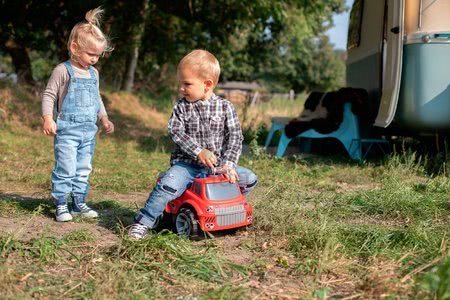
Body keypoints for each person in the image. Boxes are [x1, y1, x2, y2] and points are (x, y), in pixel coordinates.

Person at [129, 49, 258, 240]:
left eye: (187, 84)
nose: (181, 88)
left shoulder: (225, 107)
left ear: (207, 85)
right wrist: (199, 151)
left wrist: (229, 165)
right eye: (180, 83)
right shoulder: (181, 106)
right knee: (167, 186)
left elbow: (235, 137)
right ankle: (143, 222)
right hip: (187, 165)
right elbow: (176, 131)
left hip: (218, 166)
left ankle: (227, 207)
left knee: (249, 178)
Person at [41, 7, 114, 222]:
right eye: (91, 54)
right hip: (67, 130)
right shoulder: (62, 70)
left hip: (88, 131)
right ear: (75, 47)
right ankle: (61, 204)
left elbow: (96, 97)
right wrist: (47, 117)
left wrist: (104, 117)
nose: (94, 59)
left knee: (84, 168)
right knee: (66, 167)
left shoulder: (94, 73)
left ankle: (79, 202)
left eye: (98, 55)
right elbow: (49, 95)